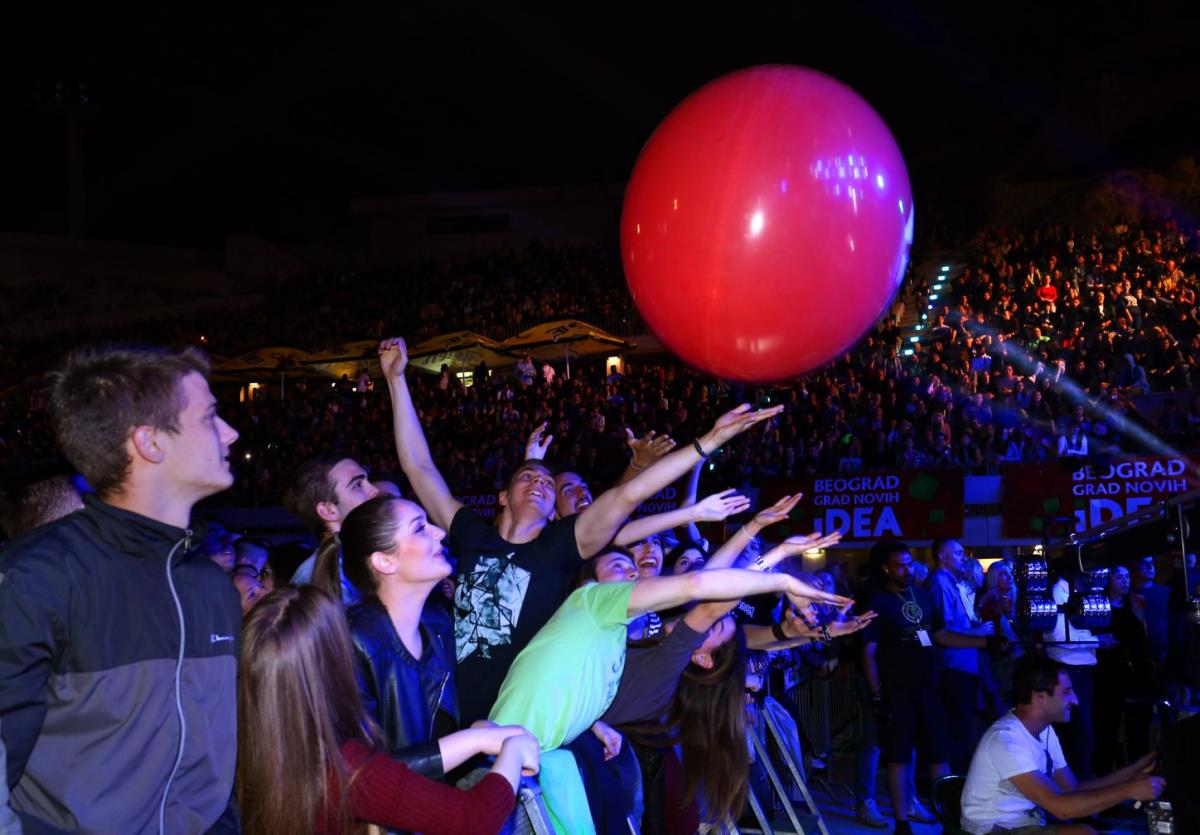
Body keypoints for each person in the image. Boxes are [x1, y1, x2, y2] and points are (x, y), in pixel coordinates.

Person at [379, 336, 784, 724]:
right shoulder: (471, 534)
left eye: (547, 483)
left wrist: (708, 441)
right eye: (527, 476)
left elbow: (628, 496)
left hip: (516, 726)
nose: (539, 483)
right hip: (444, 712)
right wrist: (396, 379)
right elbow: (419, 467)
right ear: (502, 496)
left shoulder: (559, 549)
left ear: (555, 510)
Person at [0, 344, 242, 832]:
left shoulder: (213, 589)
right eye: (210, 416)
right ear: (150, 443)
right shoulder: (36, 580)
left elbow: (212, 781)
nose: (230, 432)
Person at [488, 537, 850, 833]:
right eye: (622, 567)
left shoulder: (641, 652)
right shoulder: (605, 619)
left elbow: (708, 599)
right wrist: (777, 564)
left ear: (702, 658)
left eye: (712, 628)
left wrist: (783, 576)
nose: (634, 573)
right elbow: (704, 590)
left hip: (530, 754)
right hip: (515, 752)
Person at [237, 585, 539, 834]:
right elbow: (474, 819)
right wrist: (513, 750)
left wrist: (475, 740)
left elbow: (391, 775)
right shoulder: (344, 768)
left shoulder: (251, 746)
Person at [862, 541, 997, 835]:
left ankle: (949, 820)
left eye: (909, 563)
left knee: (939, 754)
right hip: (897, 691)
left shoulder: (922, 594)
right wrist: (876, 694)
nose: (907, 570)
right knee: (899, 756)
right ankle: (902, 823)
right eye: (900, 565)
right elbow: (869, 652)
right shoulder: (878, 601)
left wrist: (984, 642)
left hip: (930, 685)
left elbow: (941, 635)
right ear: (886, 568)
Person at [960, 655, 1165, 835]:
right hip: (991, 830)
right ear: (1039, 696)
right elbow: (1061, 809)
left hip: (1023, 826)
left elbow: (1072, 789)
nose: (1075, 700)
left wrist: (1133, 771)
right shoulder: (1006, 740)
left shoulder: (1044, 731)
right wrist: (1128, 791)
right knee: (1084, 832)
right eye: (1066, 692)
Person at [930, 538, 995, 774]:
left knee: (963, 726)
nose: (963, 557)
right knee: (957, 727)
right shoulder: (939, 582)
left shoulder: (951, 581)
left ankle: (960, 777)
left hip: (964, 662)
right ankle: (955, 782)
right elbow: (943, 630)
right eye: (957, 553)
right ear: (942, 556)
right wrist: (977, 632)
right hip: (954, 664)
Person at [284, 453, 380, 605]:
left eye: (368, 480)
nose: (375, 490)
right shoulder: (311, 584)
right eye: (357, 485)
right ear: (328, 511)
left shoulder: (367, 556)